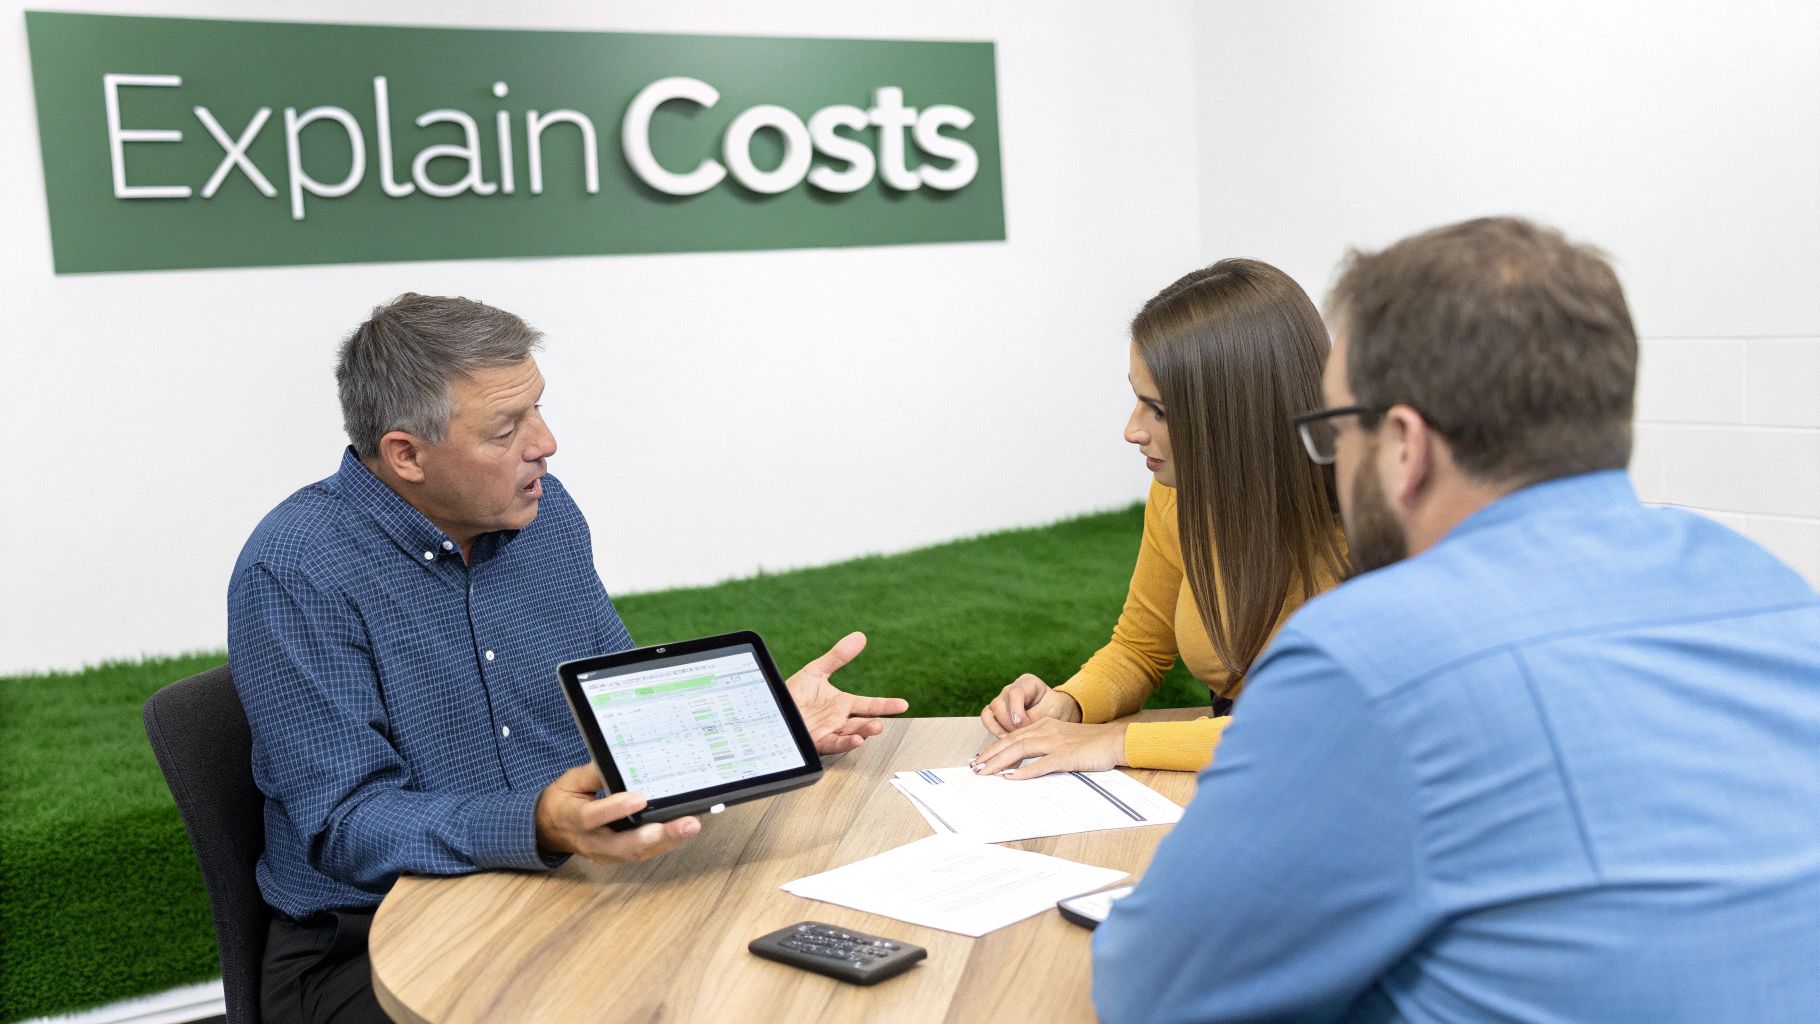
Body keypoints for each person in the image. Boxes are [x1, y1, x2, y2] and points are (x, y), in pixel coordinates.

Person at [1092, 218, 1820, 1022]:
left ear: (1404, 445)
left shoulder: (1369, 656)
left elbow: (1152, 989)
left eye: (1334, 431)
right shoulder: (1768, 588)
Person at [227, 293, 909, 1024]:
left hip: (563, 886)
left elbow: (618, 704)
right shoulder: (297, 570)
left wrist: (761, 724)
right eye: (506, 429)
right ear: (406, 454)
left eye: (539, 410)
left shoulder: (547, 515)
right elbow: (346, 824)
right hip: (371, 945)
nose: (545, 443)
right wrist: (538, 824)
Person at [974, 260, 1349, 777]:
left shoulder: (1371, 528)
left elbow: (1319, 726)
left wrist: (1117, 742)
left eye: (1160, 411)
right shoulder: (1179, 493)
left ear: (1240, 415)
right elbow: (1139, 648)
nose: (1132, 430)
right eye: (1136, 399)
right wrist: (1068, 704)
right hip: (1238, 760)